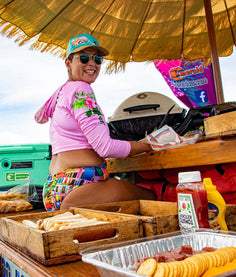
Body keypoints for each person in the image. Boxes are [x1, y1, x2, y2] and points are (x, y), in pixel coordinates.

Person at [35, 33, 155, 212]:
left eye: (97, 59)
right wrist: (147, 146)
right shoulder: (81, 90)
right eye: (84, 58)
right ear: (68, 63)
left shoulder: (62, 91)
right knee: (154, 198)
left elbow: (40, 117)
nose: (92, 63)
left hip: (55, 187)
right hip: (79, 186)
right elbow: (105, 148)